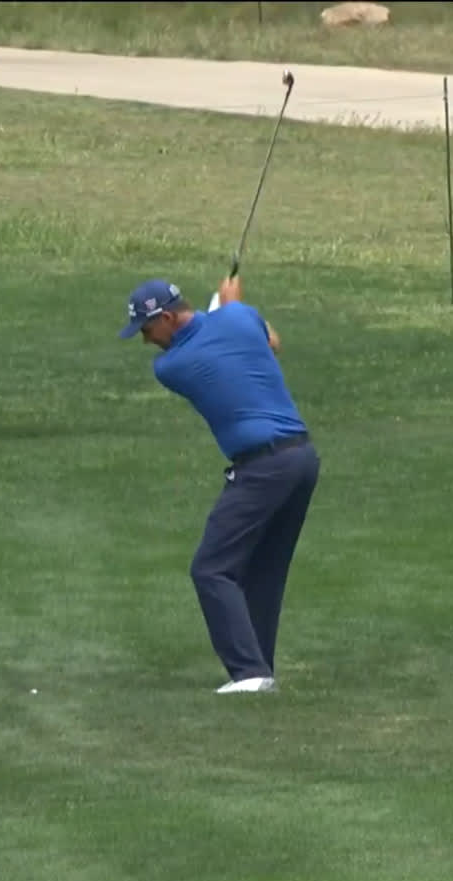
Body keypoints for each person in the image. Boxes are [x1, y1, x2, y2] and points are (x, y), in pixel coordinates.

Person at [118, 274, 320, 694]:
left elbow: (209, 348)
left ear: (168, 318)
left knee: (211, 568)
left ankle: (248, 672)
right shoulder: (241, 318)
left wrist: (220, 310)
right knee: (264, 569)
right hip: (302, 459)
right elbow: (271, 343)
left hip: (263, 468)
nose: (145, 341)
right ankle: (259, 669)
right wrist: (230, 309)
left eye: (147, 329)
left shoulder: (171, 366)